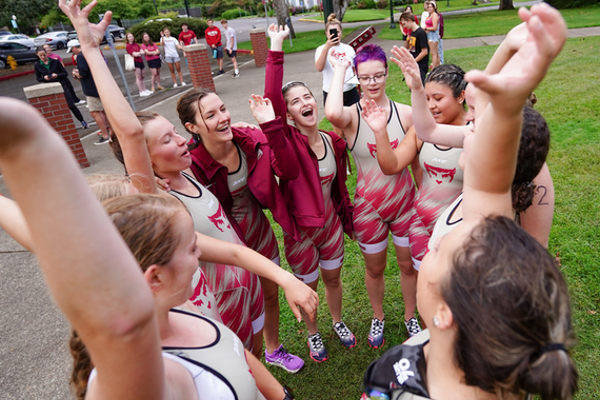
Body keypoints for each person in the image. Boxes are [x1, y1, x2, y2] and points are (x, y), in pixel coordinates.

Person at [0, 94, 298, 400]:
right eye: (187, 246)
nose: (198, 251)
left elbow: (234, 349)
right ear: (149, 273)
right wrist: (22, 140)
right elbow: (130, 137)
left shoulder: (181, 306)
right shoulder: (146, 362)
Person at [361, 5, 576, 400]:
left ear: (444, 312)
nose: (435, 244)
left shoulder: (402, 388)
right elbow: (490, 180)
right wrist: (509, 81)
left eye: (439, 251)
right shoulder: (485, 227)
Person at [175, 88, 305, 372]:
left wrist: (268, 127)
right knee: (239, 310)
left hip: (260, 234)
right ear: (192, 127)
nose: (223, 118)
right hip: (225, 247)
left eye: (223, 109)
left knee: (270, 296)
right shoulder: (191, 165)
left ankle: (273, 349)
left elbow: (288, 168)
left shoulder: (246, 140)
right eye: (210, 115)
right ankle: (244, 367)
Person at [395, 19, 556, 248]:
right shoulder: (479, 138)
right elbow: (427, 129)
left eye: (473, 110)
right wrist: (508, 46)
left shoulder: (530, 168)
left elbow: (536, 245)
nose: (468, 118)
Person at [263, 25, 356, 363]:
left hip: (330, 228)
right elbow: (270, 104)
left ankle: (337, 321)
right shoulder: (285, 146)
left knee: (333, 279)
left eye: (307, 97)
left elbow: (338, 191)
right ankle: (314, 334)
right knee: (309, 288)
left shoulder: (333, 141)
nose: (305, 103)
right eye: (295, 101)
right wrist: (275, 49)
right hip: (300, 233)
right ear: (286, 113)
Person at [325, 43, 429, 344]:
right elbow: (331, 111)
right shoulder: (352, 117)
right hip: (369, 208)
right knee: (375, 269)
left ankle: (411, 316)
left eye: (378, 76)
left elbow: (417, 166)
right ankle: (378, 317)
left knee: (408, 266)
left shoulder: (405, 114)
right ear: (357, 78)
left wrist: (423, 199)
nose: (372, 83)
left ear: (387, 74)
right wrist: (341, 66)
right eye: (366, 77)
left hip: (405, 204)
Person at [374, 63, 466, 237]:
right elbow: (391, 166)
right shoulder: (420, 131)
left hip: (456, 231)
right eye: (427, 98)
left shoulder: (475, 134)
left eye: (438, 99)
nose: (431, 105)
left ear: (461, 97)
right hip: (420, 226)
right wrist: (380, 131)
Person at [68, 39, 111, 144]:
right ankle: (111, 131)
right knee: (105, 110)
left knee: (94, 112)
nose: (72, 53)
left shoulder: (81, 56)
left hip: (91, 88)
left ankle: (105, 135)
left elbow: (83, 73)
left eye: (72, 50)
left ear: (74, 48)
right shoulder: (91, 53)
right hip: (100, 84)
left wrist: (77, 74)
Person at [34, 48, 89, 129]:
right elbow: (38, 78)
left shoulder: (55, 62)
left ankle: (82, 121)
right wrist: (44, 78)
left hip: (60, 85)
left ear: (46, 54)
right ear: (37, 55)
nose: (42, 57)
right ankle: (60, 126)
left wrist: (57, 75)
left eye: (44, 55)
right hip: (49, 87)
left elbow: (64, 73)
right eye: (40, 56)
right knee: (54, 107)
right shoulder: (37, 65)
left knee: (71, 104)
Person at [315, 14, 359, 107]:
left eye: (337, 32)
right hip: (331, 91)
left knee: (355, 119)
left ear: (341, 32)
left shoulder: (349, 49)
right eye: (331, 32)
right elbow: (319, 68)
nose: (335, 35)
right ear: (326, 33)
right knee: (335, 120)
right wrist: (326, 48)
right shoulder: (321, 49)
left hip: (350, 91)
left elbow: (355, 70)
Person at [400, 12, 429, 86]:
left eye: (404, 23)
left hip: (421, 65)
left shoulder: (420, 32)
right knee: (413, 87)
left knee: (420, 86)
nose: (404, 26)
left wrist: (414, 61)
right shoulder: (413, 33)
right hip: (414, 65)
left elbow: (424, 51)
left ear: (409, 20)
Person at [125, 32, 152, 97]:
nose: (131, 38)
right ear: (127, 39)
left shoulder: (136, 44)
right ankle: (141, 91)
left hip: (140, 60)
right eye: (129, 37)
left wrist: (138, 53)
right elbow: (134, 54)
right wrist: (138, 53)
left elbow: (142, 52)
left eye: (132, 36)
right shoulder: (128, 46)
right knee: (138, 76)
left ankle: (144, 89)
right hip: (135, 61)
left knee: (142, 76)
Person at [423, 1, 440, 70]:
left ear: (434, 7)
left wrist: (425, 28)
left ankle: (433, 69)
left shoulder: (435, 16)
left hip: (432, 36)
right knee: (435, 53)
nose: (429, 8)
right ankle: (438, 67)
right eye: (428, 7)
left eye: (431, 7)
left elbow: (435, 28)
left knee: (434, 53)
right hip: (428, 35)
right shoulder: (430, 15)